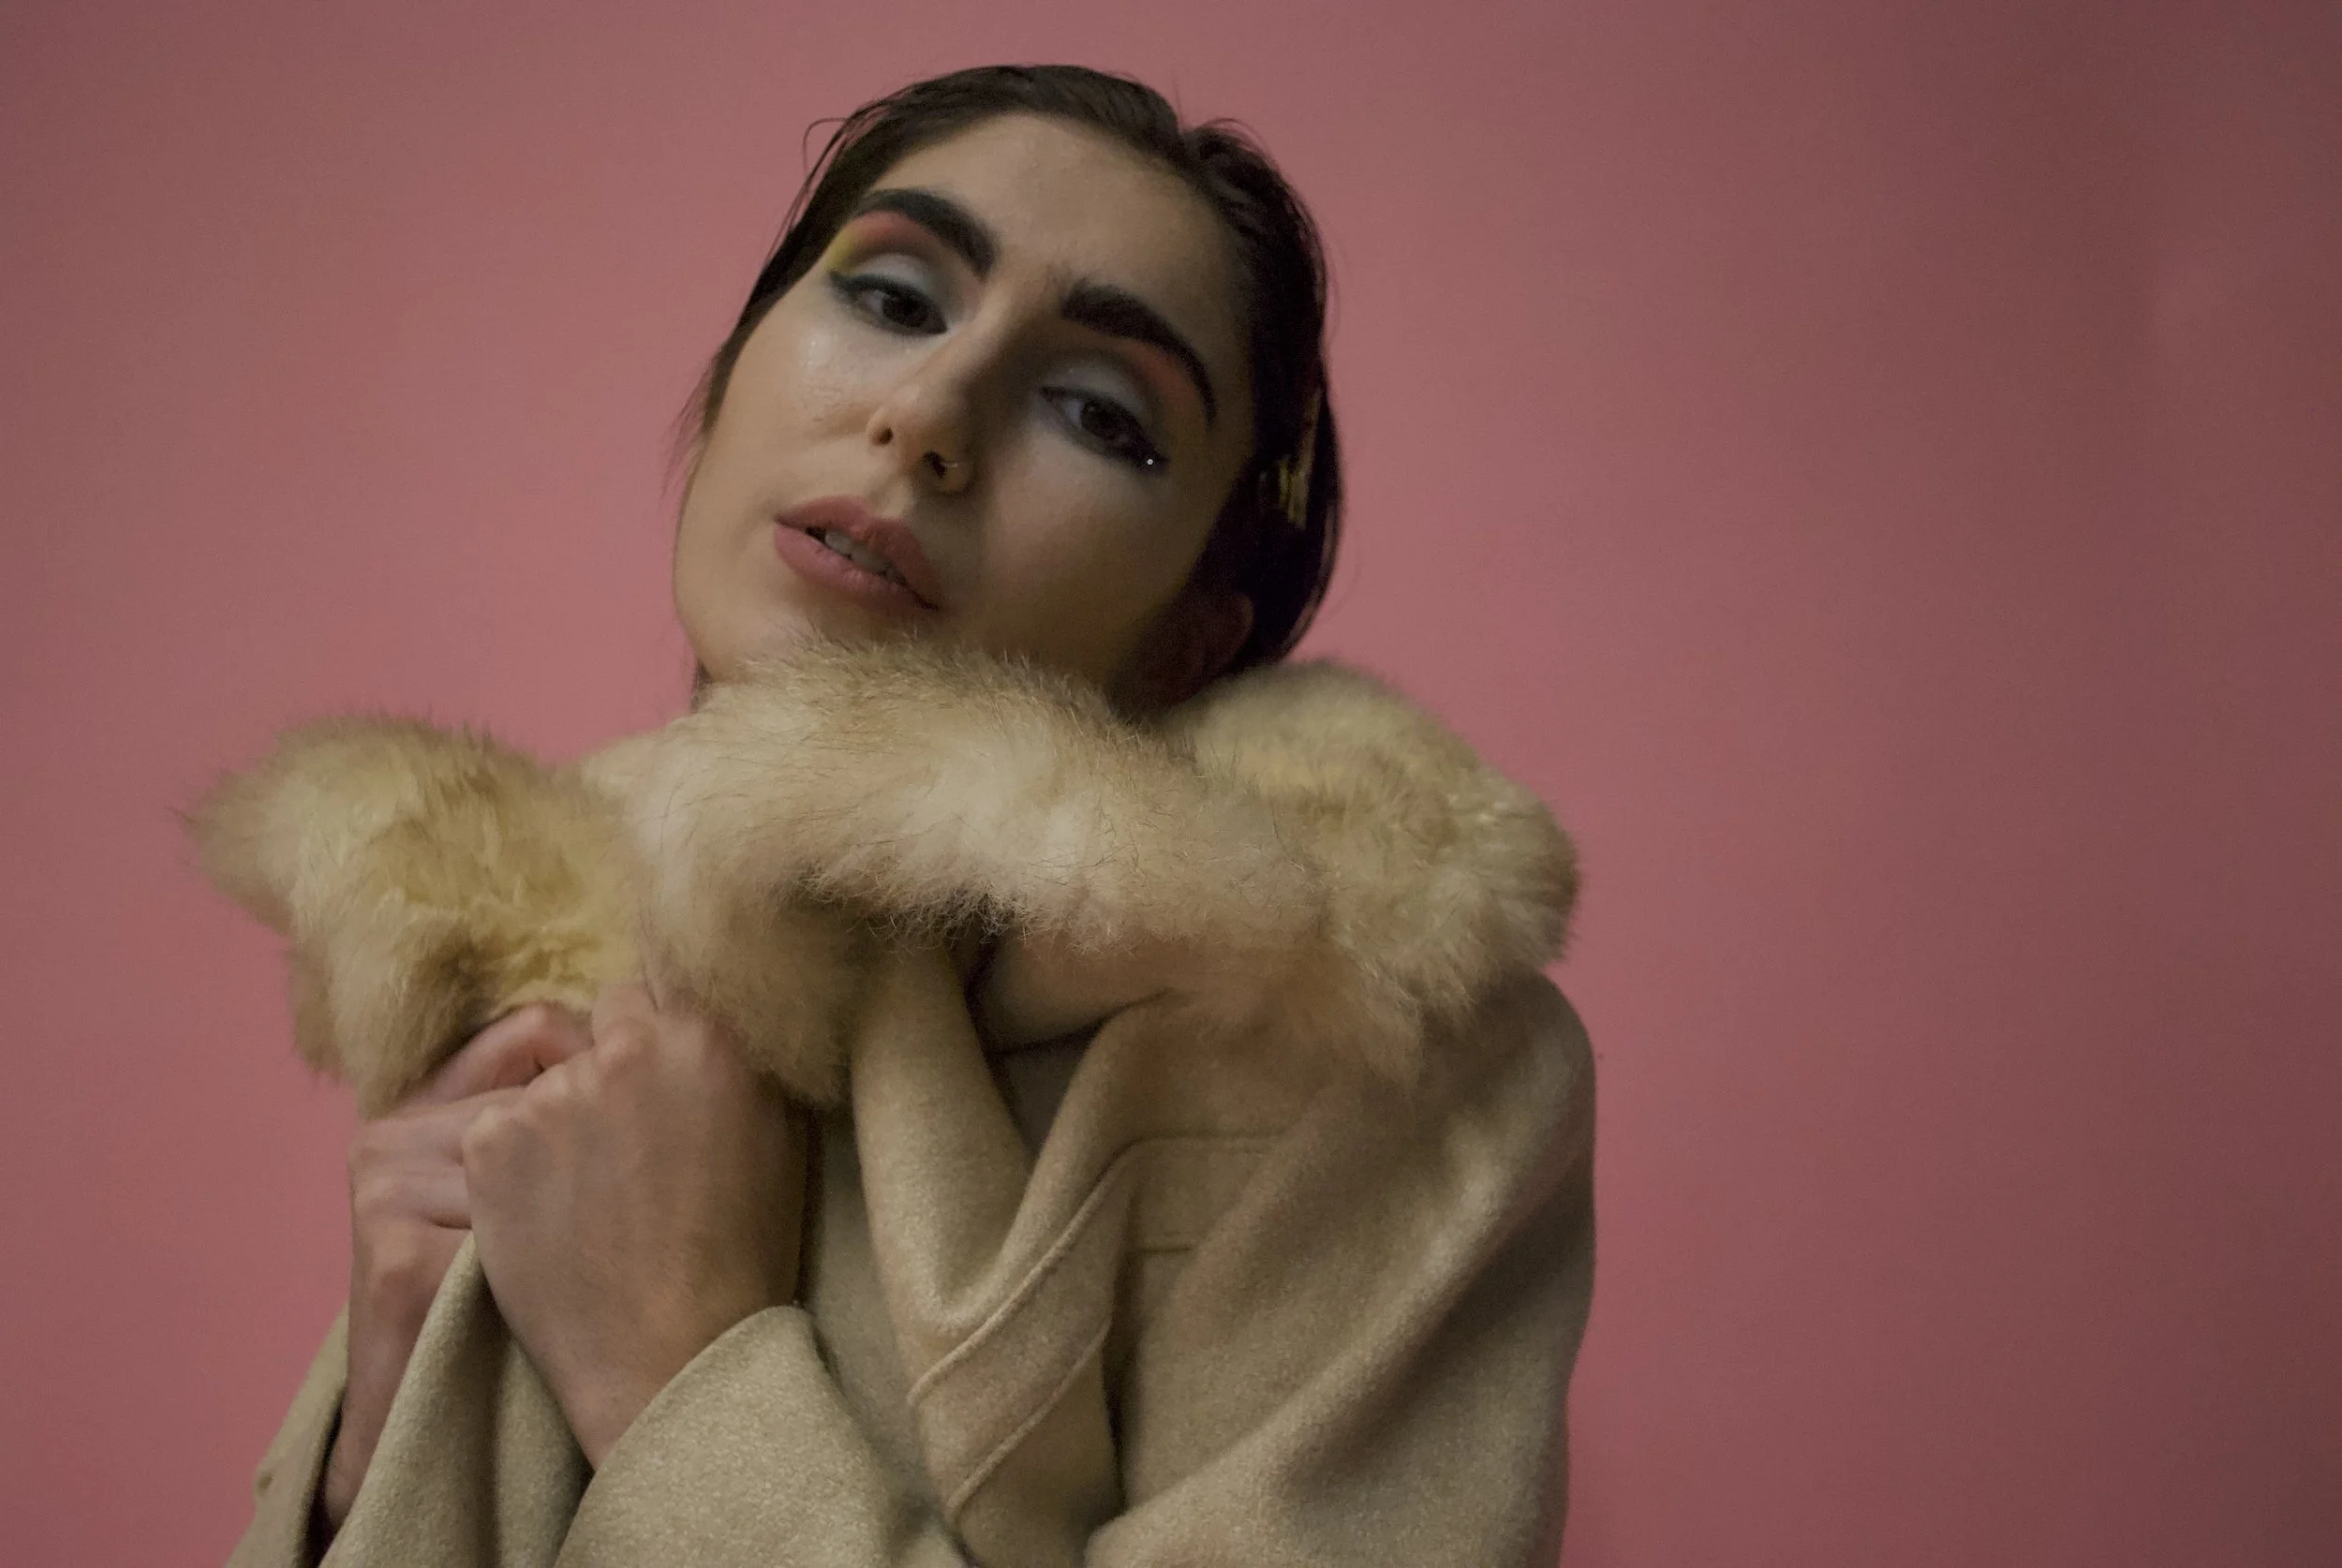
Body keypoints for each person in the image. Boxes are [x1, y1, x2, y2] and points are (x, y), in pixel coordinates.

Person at [225, 64, 1595, 1568]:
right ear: (736, 367)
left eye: (1100, 411)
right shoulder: (545, 981)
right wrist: (381, 1434)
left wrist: (683, 1377)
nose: (929, 414)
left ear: (1196, 630)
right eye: (889, 298)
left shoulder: (1363, 1053)